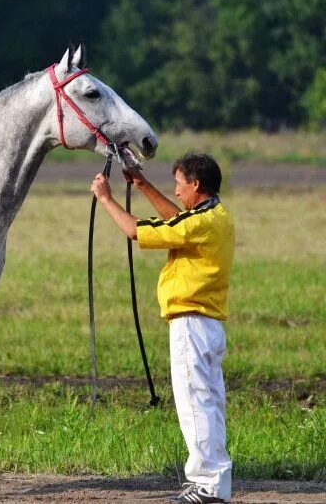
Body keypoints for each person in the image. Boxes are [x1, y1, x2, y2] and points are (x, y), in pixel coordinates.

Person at [90, 152, 234, 504]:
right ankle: (214, 480)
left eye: (179, 185)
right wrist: (141, 183)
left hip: (192, 325)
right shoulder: (215, 216)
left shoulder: (199, 224)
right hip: (207, 325)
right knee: (209, 403)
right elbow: (178, 218)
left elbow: (135, 231)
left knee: (194, 403)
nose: (177, 191)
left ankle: (207, 484)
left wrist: (106, 198)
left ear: (195, 185)